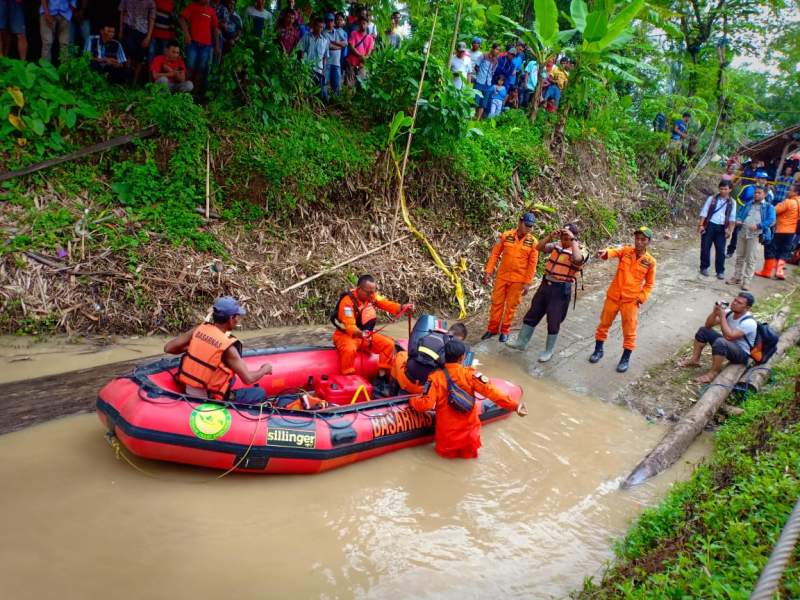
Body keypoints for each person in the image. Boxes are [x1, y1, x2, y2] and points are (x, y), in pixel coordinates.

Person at [410, 339, 527, 459]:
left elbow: (426, 404)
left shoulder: (435, 378)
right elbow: (494, 393)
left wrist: (412, 401)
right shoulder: (470, 375)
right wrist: (515, 406)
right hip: (469, 433)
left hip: (448, 436)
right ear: (462, 357)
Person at [164, 296, 273, 404]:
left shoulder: (198, 330)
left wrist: (196, 349)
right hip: (210, 400)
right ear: (231, 319)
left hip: (189, 392)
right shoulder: (228, 347)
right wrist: (265, 369)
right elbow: (248, 379)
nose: (238, 319)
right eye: (237, 316)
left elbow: (168, 348)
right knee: (259, 393)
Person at [508, 224, 587, 362]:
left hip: (560, 289)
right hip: (546, 285)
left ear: (574, 238)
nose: (563, 239)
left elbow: (578, 259)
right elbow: (538, 248)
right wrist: (551, 236)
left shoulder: (580, 250)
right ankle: (521, 342)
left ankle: (548, 351)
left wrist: (573, 240)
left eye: (566, 237)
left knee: (553, 320)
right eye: (562, 236)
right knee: (533, 313)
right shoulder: (557, 245)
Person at [589, 227, 657, 373]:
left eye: (643, 240)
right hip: (613, 296)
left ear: (648, 242)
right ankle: (598, 350)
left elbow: (649, 284)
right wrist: (605, 252)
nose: (639, 242)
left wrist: (641, 297)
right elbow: (613, 251)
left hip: (631, 301)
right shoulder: (626, 251)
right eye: (637, 238)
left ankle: (625, 358)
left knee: (629, 331)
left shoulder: (650, 262)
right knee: (604, 324)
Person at [330, 274, 412, 382]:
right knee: (349, 349)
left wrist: (402, 307)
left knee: (388, 345)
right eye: (368, 292)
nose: (372, 295)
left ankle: (381, 377)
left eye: (373, 292)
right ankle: (348, 377)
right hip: (346, 336)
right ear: (359, 289)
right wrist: (360, 333)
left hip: (365, 335)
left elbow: (385, 303)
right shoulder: (347, 302)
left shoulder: (371, 296)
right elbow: (349, 325)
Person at [481, 212, 539, 342]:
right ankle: (492, 329)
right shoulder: (506, 236)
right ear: (520, 223)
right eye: (526, 225)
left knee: (511, 306)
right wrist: (488, 271)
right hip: (502, 276)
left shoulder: (533, 243)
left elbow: (532, 264)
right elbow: (495, 254)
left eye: (531, 226)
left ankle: (505, 330)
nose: (529, 229)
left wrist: (527, 283)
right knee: (497, 303)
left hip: (518, 280)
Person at [679, 292, 757, 384]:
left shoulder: (749, 322)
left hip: (741, 354)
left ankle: (713, 373)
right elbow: (708, 325)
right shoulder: (729, 313)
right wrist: (714, 313)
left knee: (721, 342)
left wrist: (722, 316)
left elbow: (729, 336)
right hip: (728, 345)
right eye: (735, 300)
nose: (734, 303)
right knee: (703, 331)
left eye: (739, 303)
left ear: (747, 308)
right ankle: (694, 359)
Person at [391, 323, 467, 395]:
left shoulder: (428, 335)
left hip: (405, 381)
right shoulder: (450, 348)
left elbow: (411, 353)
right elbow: (449, 372)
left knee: (400, 355)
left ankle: (392, 390)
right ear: (460, 338)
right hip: (424, 388)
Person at [727, 186, 775, 290]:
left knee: (751, 259)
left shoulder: (768, 207)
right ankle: (736, 277)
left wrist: (758, 226)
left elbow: (771, 220)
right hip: (743, 232)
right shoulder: (748, 204)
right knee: (739, 257)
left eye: (759, 193)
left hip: (755, 236)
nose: (756, 194)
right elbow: (739, 214)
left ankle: (747, 281)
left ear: (765, 194)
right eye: (755, 193)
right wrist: (738, 220)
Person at [757, 182, 800, 280]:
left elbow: (774, 211)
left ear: (795, 192)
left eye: (790, 190)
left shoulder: (788, 202)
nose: (787, 191)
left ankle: (766, 272)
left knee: (770, 249)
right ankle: (779, 271)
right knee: (784, 251)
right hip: (791, 232)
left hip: (780, 230)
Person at [727, 170, 772, 257]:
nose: (763, 181)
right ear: (756, 179)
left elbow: (769, 204)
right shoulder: (748, 187)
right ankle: (730, 251)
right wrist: (746, 207)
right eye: (761, 178)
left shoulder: (768, 192)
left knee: (754, 235)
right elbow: (738, 197)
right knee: (737, 233)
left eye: (765, 179)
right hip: (745, 215)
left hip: (758, 217)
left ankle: (746, 254)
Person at [698, 180, 735, 279]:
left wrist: (729, 230)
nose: (723, 191)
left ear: (730, 189)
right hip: (709, 225)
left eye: (725, 189)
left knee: (720, 250)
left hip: (722, 228)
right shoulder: (712, 199)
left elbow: (732, 218)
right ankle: (704, 267)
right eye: (721, 189)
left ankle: (720, 271)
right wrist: (701, 225)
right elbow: (704, 212)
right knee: (705, 247)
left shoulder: (732, 202)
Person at [180, 0, 220, 92]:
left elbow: (215, 29)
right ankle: (186, 91)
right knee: (190, 66)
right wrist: (186, 34)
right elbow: (181, 19)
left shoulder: (211, 11)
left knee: (201, 69)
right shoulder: (192, 6)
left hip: (206, 46)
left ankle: (196, 93)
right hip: (192, 43)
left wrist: (217, 45)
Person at [119, 0, 155, 83]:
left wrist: (148, 37)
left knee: (140, 58)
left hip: (143, 31)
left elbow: (151, 19)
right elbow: (122, 13)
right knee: (128, 53)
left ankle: (134, 82)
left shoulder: (150, 2)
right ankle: (126, 80)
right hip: (129, 28)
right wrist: (120, 30)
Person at [297, 17, 329, 102]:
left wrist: (324, 70)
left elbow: (325, 57)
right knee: (306, 91)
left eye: (321, 27)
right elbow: (300, 50)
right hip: (307, 69)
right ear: (313, 26)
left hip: (319, 70)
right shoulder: (306, 37)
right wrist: (302, 64)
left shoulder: (325, 40)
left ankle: (317, 110)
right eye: (318, 26)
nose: (319, 29)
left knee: (318, 92)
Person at [322, 12, 347, 98]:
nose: (330, 23)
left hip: (337, 63)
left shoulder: (338, 32)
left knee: (337, 85)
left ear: (334, 22)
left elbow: (346, 43)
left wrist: (336, 42)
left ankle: (336, 102)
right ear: (325, 22)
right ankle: (325, 103)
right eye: (328, 21)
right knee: (325, 83)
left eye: (331, 20)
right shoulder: (323, 33)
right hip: (327, 62)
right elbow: (328, 46)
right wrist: (339, 46)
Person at [345, 15, 374, 87]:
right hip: (351, 63)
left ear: (367, 24)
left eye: (364, 23)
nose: (362, 25)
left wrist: (364, 59)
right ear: (358, 24)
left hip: (362, 64)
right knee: (349, 86)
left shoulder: (370, 38)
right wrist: (361, 56)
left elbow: (369, 52)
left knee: (362, 86)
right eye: (361, 23)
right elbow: (351, 47)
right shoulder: (354, 33)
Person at [473, 43, 499, 120]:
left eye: (498, 50)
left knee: (483, 103)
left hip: (488, 83)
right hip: (479, 81)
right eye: (496, 49)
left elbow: (493, 72)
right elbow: (476, 66)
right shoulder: (483, 56)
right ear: (492, 49)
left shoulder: (496, 61)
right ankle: (472, 116)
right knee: (475, 101)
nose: (497, 51)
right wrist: (480, 74)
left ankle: (477, 119)